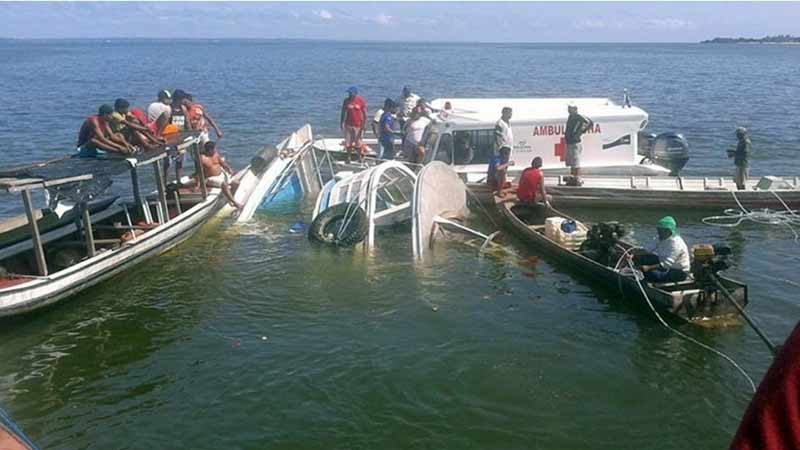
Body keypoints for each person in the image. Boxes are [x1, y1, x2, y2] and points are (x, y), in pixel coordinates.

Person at [637, 216, 690, 283]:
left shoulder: (676, 244)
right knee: (644, 257)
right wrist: (633, 254)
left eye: (660, 230)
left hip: (678, 272)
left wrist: (648, 267)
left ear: (668, 231)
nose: (658, 233)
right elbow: (648, 249)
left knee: (653, 275)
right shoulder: (660, 237)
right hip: (663, 263)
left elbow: (666, 264)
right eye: (658, 230)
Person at [197, 141, 241, 210]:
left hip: (221, 175)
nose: (216, 150)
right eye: (214, 148)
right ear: (210, 150)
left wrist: (229, 169)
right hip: (210, 178)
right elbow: (199, 172)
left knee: (236, 183)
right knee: (224, 184)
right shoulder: (202, 158)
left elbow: (223, 164)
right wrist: (198, 183)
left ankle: (230, 198)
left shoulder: (216, 155)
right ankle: (235, 203)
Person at [564, 103, 594, 186]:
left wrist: (582, 131)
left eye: (570, 108)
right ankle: (572, 178)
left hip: (575, 142)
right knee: (572, 163)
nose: (568, 109)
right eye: (568, 108)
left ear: (575, 109)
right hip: (570, 142)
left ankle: (577, 179)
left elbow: (589, 122)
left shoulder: (578, 116)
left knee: (576, 162)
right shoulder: (570, 116)